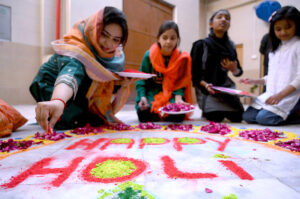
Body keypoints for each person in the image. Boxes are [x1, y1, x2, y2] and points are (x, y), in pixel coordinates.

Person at [30, 7, 135, 131]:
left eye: (115, 40)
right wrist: (58, 101)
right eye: (104, 35)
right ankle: (55, 108)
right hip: (52, 86)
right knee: (74, 119)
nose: (108, 44)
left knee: (95, 119)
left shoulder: (113, 57)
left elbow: (104, 83)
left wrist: (121, 84)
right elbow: (71, 73)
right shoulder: (77, 48)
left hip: (78, 93)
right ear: (94, 29)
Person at [240, 6, 300, 125]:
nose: (283, 32)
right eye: (278, 29)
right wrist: (255, 81)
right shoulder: (275, 50)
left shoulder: (298, 45)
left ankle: (296, 113)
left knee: (264, 118)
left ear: (297, 25)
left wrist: (280, 95)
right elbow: (272, 77)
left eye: (288, 27)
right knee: (248, 116)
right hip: (272, 94)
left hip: (290, 95)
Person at [190, 9, 244, 123]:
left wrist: (234, 69)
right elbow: (194, 75)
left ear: (229, 25)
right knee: (215, 117)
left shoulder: (231, 46)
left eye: (227, 18)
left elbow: (239, 72)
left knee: (239, 117)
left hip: (226, 88)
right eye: (219, 17)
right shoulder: (201, 45)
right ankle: (207, 108)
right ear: (211, 24)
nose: (223, 19)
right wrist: (206, 85)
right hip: (207, 88)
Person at [135, 21, 193, 122]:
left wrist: (178, 99)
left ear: (177, 40)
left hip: (172, 95)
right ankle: (159, 114)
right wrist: (142, 97)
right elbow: (141, 79)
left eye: (173, 38)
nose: (168, 42)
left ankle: (161, 114)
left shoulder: (181, 57)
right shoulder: (149, 56)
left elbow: (180, 82)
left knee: (178, 116)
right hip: (151, 94)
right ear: (158, 38)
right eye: (165, 38)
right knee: (143, 114)